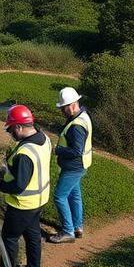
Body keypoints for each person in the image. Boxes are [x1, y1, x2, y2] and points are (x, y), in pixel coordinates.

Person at [0, 104, 51, 267]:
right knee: (33, 235)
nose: (10, 133)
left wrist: (0, 185)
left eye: (11, 128)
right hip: (39, 200)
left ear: (20, 127)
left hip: (22, 204)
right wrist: (7, 171)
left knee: (9, 239)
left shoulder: (24, 154)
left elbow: (19, 185)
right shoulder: (44, 139)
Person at [48, 87, 92, 243]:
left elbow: (76, 150)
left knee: (59, 196)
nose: (62, 111)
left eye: (63, 108)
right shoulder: (83, 116)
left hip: (73, 167)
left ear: (72, 105)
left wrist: (58, 150)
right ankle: (77, 227)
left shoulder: (76, 126)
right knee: (75, 196)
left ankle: (68, 231)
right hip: (79, 166)